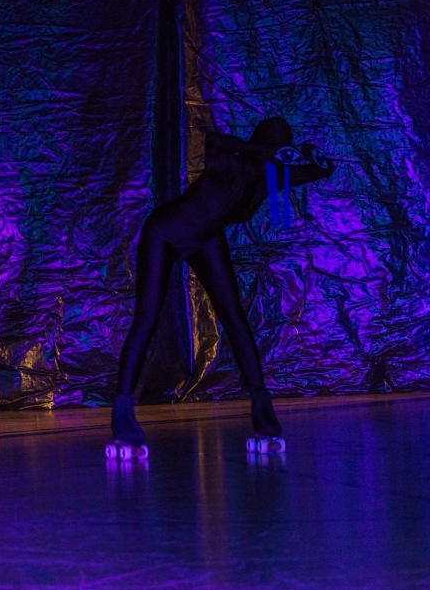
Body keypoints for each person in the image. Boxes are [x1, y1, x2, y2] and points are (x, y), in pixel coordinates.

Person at [109, 116, 334, 459]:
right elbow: (213, 140)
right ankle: (123, 418)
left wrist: (312, 156)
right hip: (166, 233)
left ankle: (264, 420)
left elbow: (319, 172)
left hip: (205, 240)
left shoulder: (267, 177)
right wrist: (264, 151)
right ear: (264, 146)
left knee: (235, 319)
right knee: (147, 319)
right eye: (275, 149)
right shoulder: (231, 164)